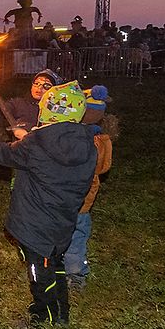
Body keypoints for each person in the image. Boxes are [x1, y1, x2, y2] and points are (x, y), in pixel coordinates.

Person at [0, 80, 97, 326]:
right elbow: (50, 149)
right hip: (62, 221)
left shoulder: (36, 144)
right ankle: (60, 314)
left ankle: (43, 317)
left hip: (35, 225)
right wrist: (29, 138)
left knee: (39, 272)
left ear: (47, 110)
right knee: (55, 265)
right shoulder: (86, 143)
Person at [65, 87, 115, 290]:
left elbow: (101, 167)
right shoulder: (97, 139)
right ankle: (63, 271)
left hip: (80, 201)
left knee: (76, 236)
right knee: (68, 235)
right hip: (71, 200)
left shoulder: (94, 141)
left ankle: (76, 274)